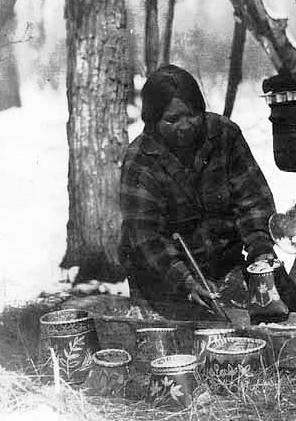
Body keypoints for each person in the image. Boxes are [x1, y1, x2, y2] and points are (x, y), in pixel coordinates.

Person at [119, 65, 279, 319]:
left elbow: (253, 199)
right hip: (163, 278)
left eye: (192, 115)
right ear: (152, 121)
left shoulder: (224, 135)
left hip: (224, 266)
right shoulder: (140, 160)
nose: (185, 126)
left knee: (268, 317)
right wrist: (188, 281)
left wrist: (261, 252)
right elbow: (147, 238)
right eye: (172, 120)